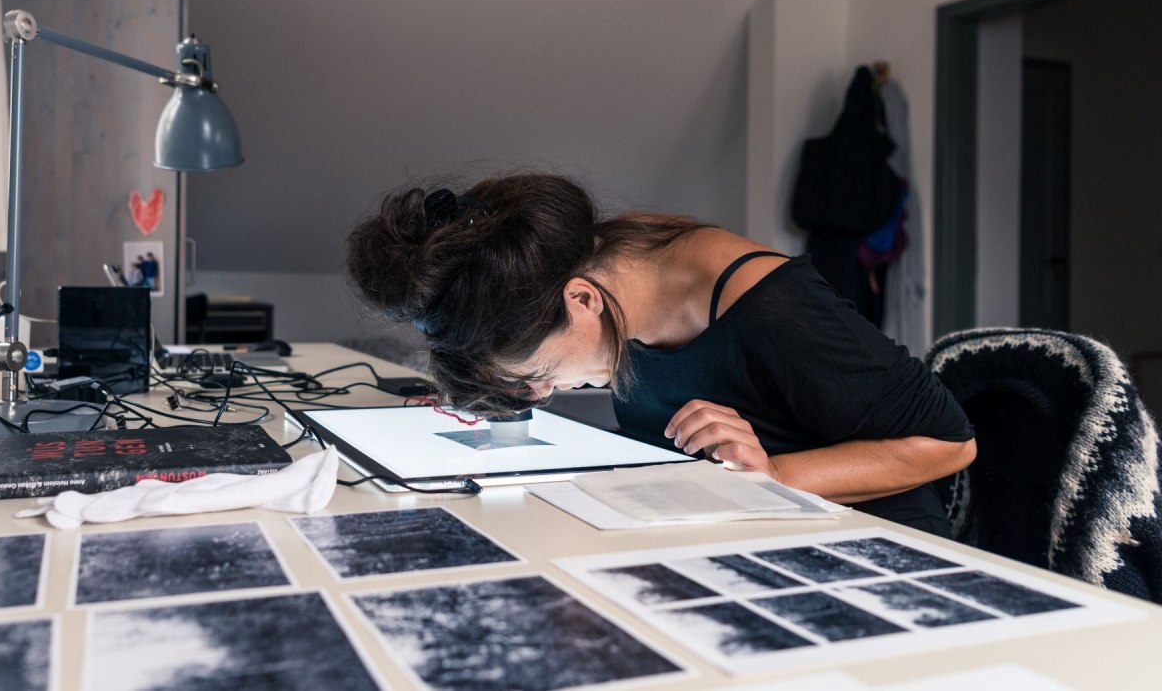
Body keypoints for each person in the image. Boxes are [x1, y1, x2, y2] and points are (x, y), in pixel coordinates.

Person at [346, 173, 976, 536]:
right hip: (725, 529)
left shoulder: (770, 308)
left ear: (583, 300)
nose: (539, 393)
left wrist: (773, 478)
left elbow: (950, 443)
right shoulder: (600, 266)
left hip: (865, 542)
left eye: (538, 375)